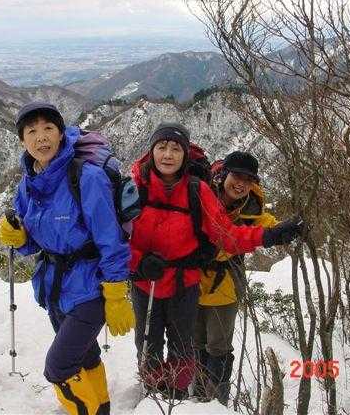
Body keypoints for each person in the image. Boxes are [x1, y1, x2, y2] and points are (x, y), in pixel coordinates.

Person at [129, 123, 304, 400]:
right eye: (161, 147)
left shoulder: (198, 191)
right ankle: (153, 396)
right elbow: (114, 237)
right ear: (151, 151)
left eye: (176, 149)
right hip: (145, 283)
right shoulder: (134, 188)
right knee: (148, 345)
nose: (168, 154)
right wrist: (138, 262)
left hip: (184, 284)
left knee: (182, 348)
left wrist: (270, 235)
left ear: (185, 154)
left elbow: (227, 235)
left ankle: (177, 397)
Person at [0, 102, 135, 415]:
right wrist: (19, 238)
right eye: (32, 131)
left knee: (58, 367)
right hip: (55, 290)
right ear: (22, 140)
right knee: (85, 356)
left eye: (48, 128)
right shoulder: (27, 185)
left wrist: (116, 293)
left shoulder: (87, 178)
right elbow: (33, 242)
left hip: (91, 289)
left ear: (61, 134)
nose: (41, 137)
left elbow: (111, 240)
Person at [193, 151, 279, 405]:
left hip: (226, 283)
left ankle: (216, 401)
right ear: (223, 175)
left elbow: (265, 223)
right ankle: (196, 397)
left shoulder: (251, 206)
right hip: (191, 280)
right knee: (195, 341)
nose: (241, 184)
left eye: (248, 180)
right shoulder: (202, 195)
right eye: (237, 176)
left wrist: (283, 229)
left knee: (218, 346)